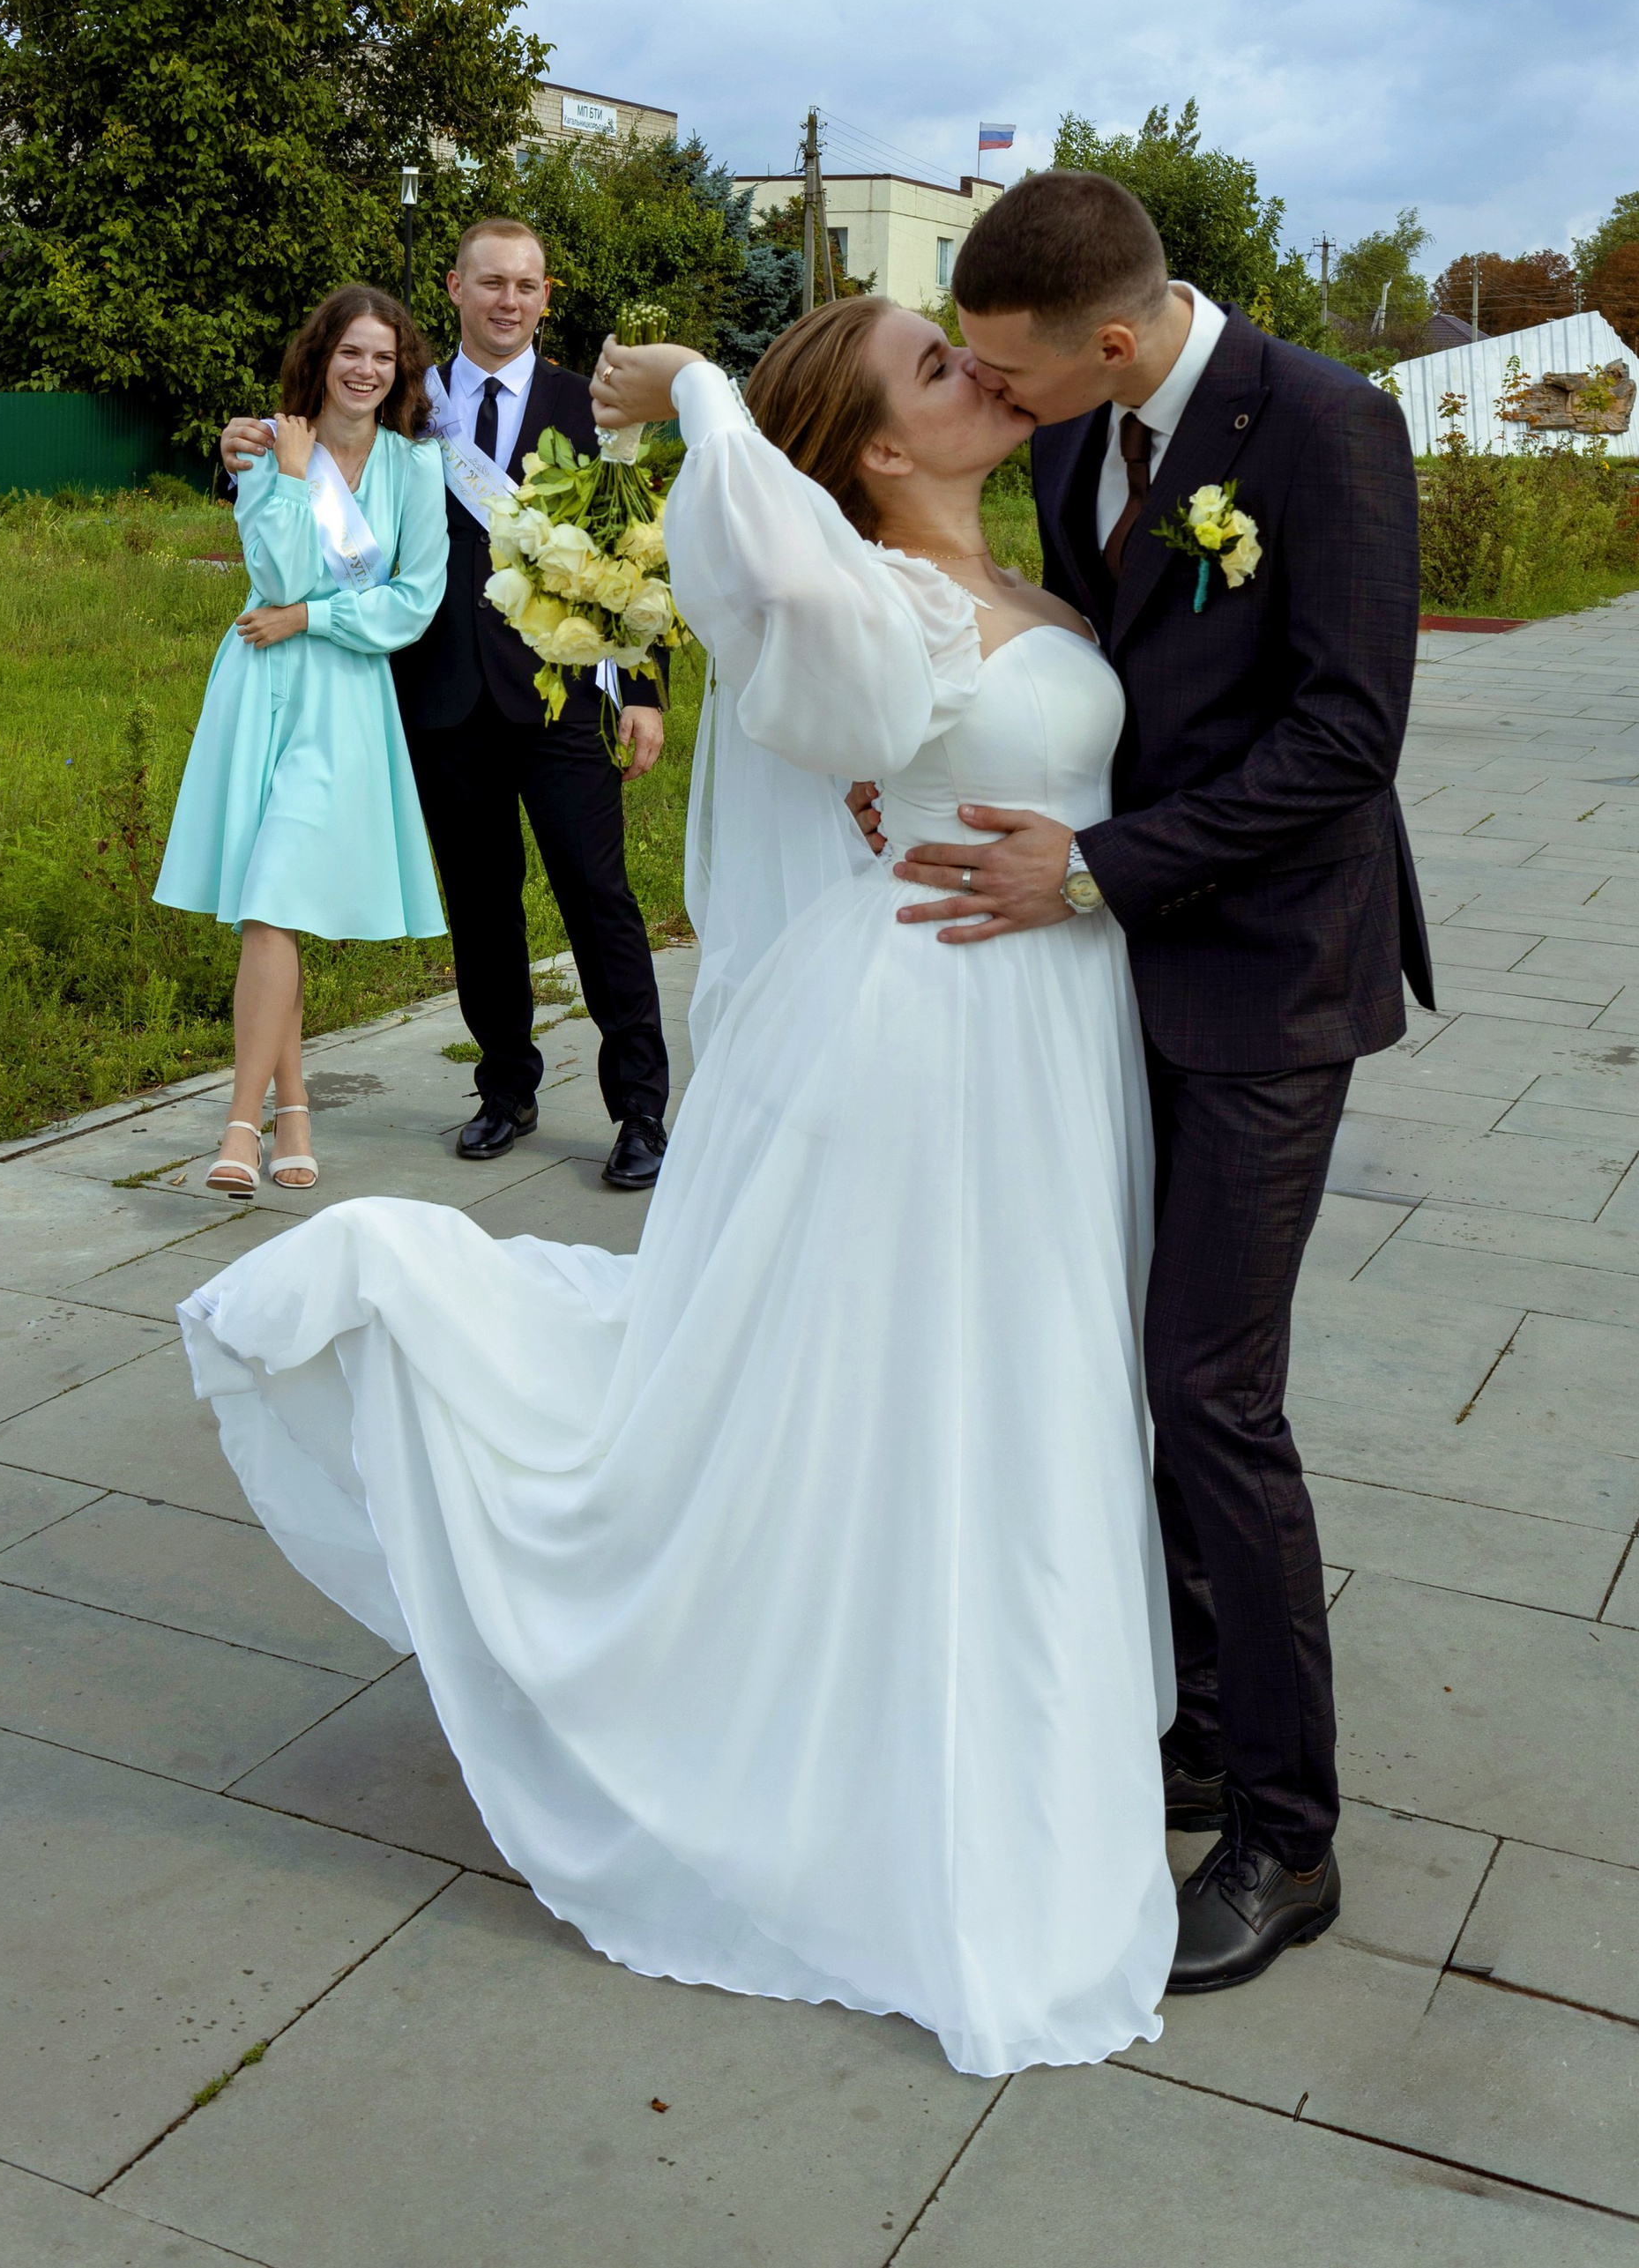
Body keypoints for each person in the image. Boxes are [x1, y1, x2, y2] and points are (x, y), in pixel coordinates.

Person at [179, 301, 1177, 2080]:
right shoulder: (853, 591)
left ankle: (1015, 1698)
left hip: (1046, 1029)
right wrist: (715, 401)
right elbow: (772, 588)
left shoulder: (1023, 564)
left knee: (1012, 1375)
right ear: (868, 453)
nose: (975, 375)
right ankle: (888, 1735)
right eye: (932, 370)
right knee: (929, 1385)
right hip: (929, 1034)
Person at [876, 167, 1432, 1996]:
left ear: (1109, 340)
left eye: (1003, 371)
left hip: (1269, 979)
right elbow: (1084, 683)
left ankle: (1285, 1832)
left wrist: (1102, 870)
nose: (986, 396)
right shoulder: (1073, 437)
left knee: (1208, 1387)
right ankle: (1192, 1720)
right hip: (1104, 977)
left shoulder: (1327, 428)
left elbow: (1346, 741)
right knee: (1124, 1356)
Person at [220, 216, 673, 1191]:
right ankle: (506, 1088)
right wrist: (239, 446)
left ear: (546, 297)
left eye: (528, 284)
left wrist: (641, 690)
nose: (509, 299)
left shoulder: (587, 407)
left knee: (598, 899)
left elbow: (633, 552)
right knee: (480, 902)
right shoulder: (410, 406)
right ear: (457, 290)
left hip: (562, 696)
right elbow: (314, 459)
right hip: (440, 695)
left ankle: (639, 1107)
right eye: (491, 282)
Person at [155, 285, 449, 1202]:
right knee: (266, 908)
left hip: (344, 700)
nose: (365, 370)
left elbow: (414, 599)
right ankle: (288, 1114)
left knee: (275, 889)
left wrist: (311, 618)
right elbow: (272, 574)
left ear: (399, 372)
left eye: (384, 357)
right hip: (259, 690)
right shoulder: (267, 449)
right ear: (319, 357)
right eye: (350, 352)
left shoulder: (414, 469)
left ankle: (240, 1127)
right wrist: (285, 476)